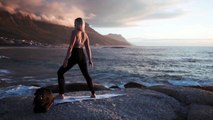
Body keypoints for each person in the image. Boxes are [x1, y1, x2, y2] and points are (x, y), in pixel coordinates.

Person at [57, 17, 96, 99]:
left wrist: (66, 60)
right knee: (86, 75)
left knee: (60, 72)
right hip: (82, 55)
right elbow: (88, 48)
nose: (74, 25)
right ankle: (93, 94)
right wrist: (90, 60)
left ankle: (61, 94)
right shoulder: (85, 35)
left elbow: (71, 46)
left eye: (75, 23)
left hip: (75, 55)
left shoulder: (74, 32)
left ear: (77, 24)